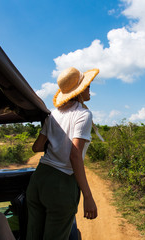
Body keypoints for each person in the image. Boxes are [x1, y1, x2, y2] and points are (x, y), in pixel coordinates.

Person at [26, 67, 99, 240]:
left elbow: (36, 147)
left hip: (39, 180)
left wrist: (56, 140)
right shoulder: (83, 114)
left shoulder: (52, 114)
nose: (90, 90)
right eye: (88, 86)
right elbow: (75, 155)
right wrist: (88, 196)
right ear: (79, 91)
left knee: (33, 235)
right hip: (62, 183)